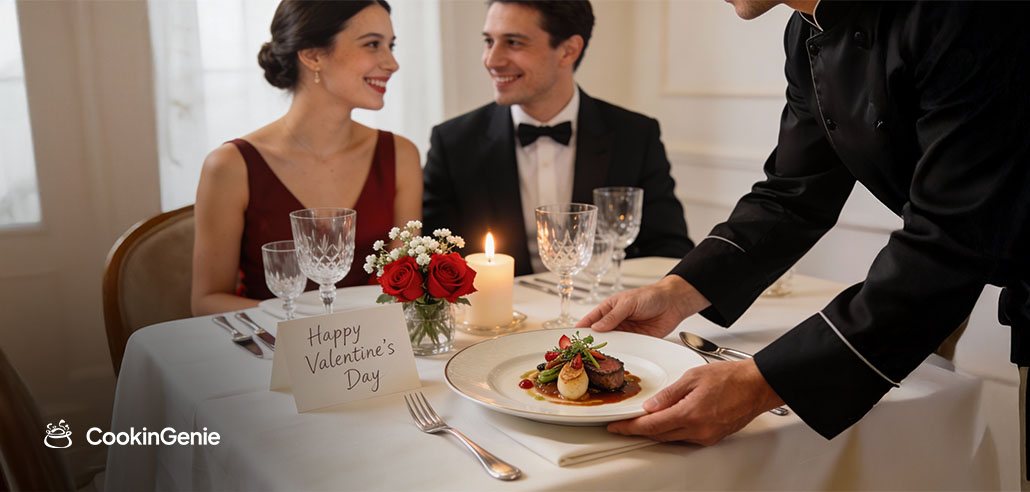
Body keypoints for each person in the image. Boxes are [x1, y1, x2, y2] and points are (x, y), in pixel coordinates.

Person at [578, 0, 1030, 481]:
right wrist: (675, 292)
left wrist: (760, 383)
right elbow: (792, 195)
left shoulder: (966, 15)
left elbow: (949, 236)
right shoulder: (805, 34)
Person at [422, 0, 693, 276]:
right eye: (489, 41)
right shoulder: (454, 143)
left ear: (568, 50)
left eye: (513, 42)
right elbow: (433, 260)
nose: (492, 60)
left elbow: (669, 250)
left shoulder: (635, 135)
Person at [191, 0, 422, 316]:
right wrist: (314, 330)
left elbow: (402, 288)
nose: (392, 63)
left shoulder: (400, 155)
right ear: (313, 55)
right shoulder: (230, 165)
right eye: (372, 44)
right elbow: (206, 302)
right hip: (273, 352)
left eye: (390, 45)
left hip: (373, 352)